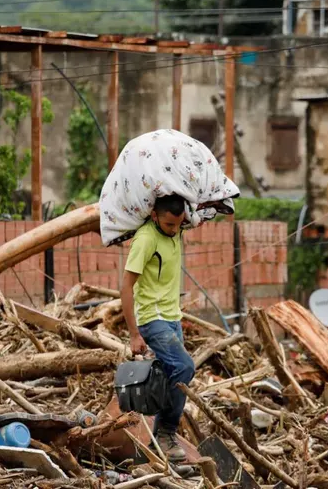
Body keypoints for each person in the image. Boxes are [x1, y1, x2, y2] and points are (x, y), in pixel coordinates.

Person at [121, 194, 194, 462]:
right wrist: (134, 334)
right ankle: (165, 432)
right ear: (154, 216)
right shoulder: (145, 239)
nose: (174, 230)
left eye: (178, 224)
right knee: (184, 367)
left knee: (169, 375)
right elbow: (126, 286)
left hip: (173, 317)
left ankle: (154, 445)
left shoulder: (177, 229)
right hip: (152, 318)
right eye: (168, 225)